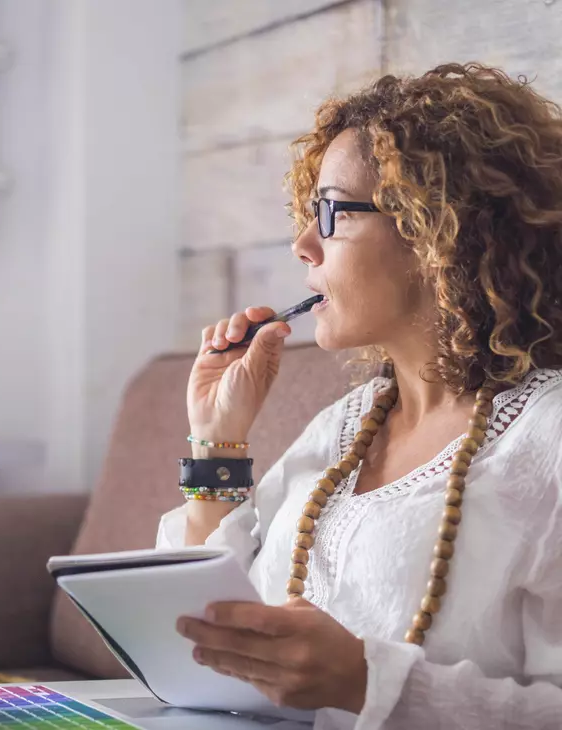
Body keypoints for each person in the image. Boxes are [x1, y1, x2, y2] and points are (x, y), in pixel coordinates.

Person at [156, 63, 562, 730]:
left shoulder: (546, 437)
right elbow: (211, 636)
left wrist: (367, 682)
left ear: (437, 232)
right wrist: (215, 439)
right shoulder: (342, 428)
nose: (303, 245)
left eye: (331, 212)